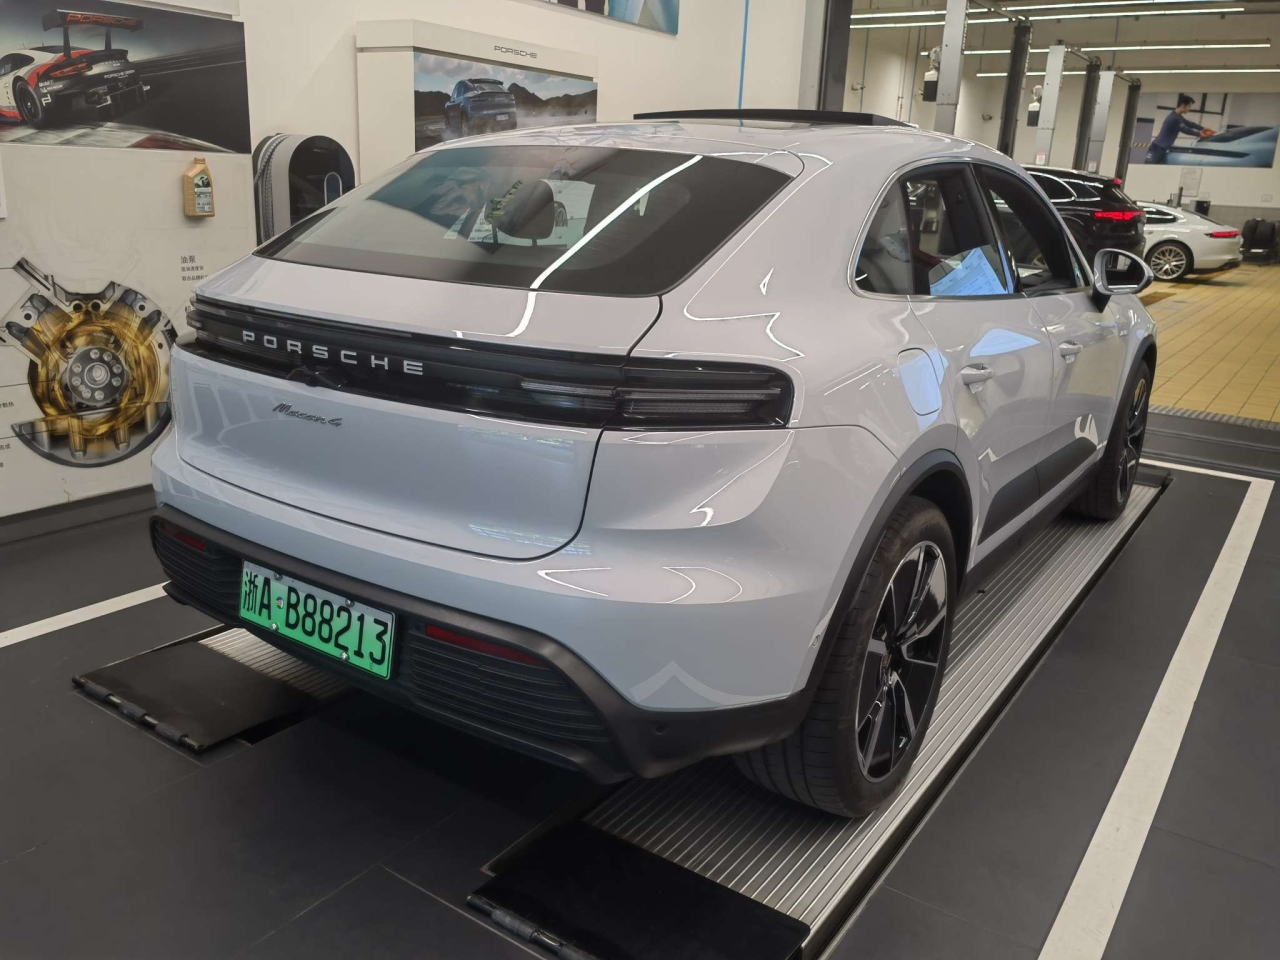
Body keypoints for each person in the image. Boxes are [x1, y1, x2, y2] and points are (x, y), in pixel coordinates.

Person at [1145, 94, 1217, 164]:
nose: (1189, 109)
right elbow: (1185, 129)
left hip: (1162, 148)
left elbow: (1189, 123)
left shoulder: (1177, 116)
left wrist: (1202, 128)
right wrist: (1199, 134)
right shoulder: (1174, 118)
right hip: (1158, 148)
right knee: (1149, 168)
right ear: (1183, 105)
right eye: (1189, 106)